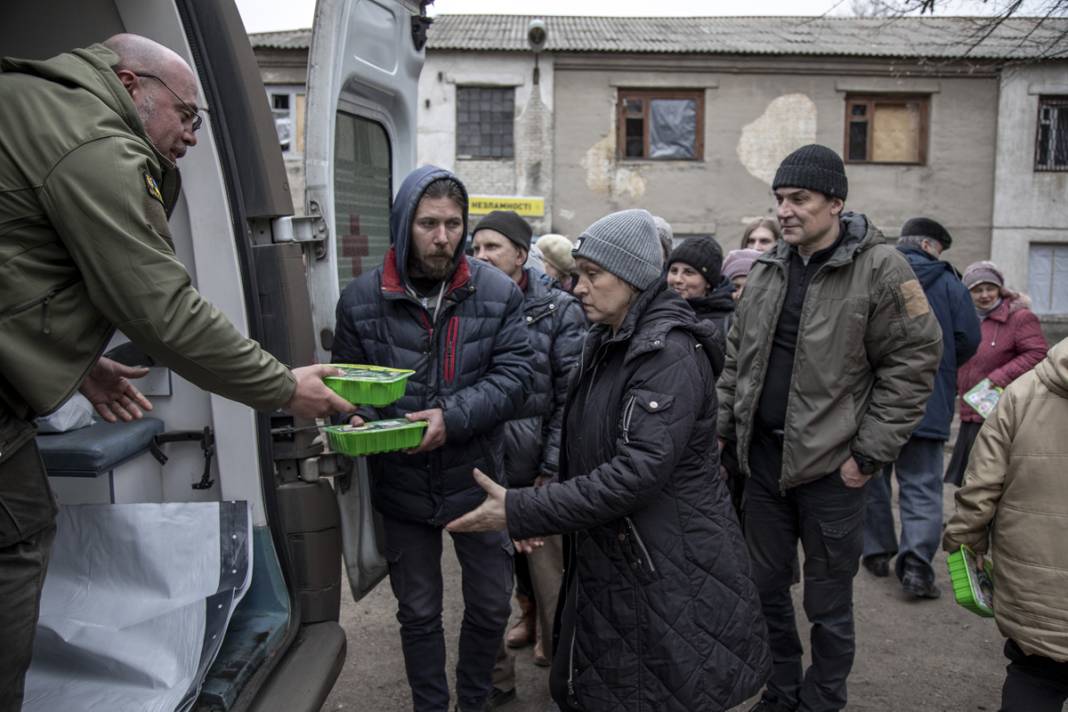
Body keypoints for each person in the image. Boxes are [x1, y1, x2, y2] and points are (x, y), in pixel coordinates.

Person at [0, 35, 353, 710]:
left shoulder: (39, 104)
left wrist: (78, 368)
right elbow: (165, 312)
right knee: (16, 537)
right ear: (131, 85)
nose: (191, 134)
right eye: (186, 115)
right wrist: (284, 387)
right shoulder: (96, 146)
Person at [449, 208, 770, 712]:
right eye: (578, 273)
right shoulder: (608, 341)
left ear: (636, 277)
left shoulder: (667, 355)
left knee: (673, 690)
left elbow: (634, 474)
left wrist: (522, 509)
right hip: (623, 558)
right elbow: (588, 449)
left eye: (593, 275)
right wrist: (545, 507)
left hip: (669, 567)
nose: (578, 287)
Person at [717, 145, 942, 712]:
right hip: (764, 466)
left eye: (799, 199)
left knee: (827, 601)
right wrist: (722, 434)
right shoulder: (768, 269)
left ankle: (824, 698)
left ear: (835, 203)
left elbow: (915, 361)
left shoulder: (882, 267)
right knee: (764, 590)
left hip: (832, 473)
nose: (785, 210)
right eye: (779, 199)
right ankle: (783, 687)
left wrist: (867, 455)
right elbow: (735, 362)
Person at [332, 167, 534, 712]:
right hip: (401, 481)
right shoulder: (359, 299)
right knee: (418, 611)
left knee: (492, 606)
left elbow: (517, 379)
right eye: (428, 224)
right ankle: (429, 705)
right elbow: (352, 383)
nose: (442, 236)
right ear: (403, 225)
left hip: (478, 478)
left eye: (452, 223)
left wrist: (451, 416)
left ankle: (474, 700)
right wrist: (357, 416)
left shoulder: (494, 292)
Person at [471, 210, 586, 704]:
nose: (481, 258)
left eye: (492, 248)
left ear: (521, 255)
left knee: (554, 587)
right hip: (483, 471)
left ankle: (567, 685)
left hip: (540, 476)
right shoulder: (467, 306)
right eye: (475, 250)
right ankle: (497, 684)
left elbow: (570, 399)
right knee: (483, 591)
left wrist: (550, 470)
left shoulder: (559, 311)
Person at [942, 337, 1068, 712]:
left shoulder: (1023, 392)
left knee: (1035, 678)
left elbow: (980, 486)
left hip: (1035, 593)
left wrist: (965, 544)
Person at [861, 218, 981, 599]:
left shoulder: (874, 273)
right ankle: (915, 568)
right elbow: (968, 339)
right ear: (930, 246)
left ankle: (876, 552)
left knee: (873, 479)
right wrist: (937, 368)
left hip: (876, 400)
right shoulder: (949, 283)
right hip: (929, 401)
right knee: (923, 487)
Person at [945, 260, 1049, 487]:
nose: (984, 295)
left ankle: (989, 522)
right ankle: (970, 520)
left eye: (990, 288)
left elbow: (1038, 353)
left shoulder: (1019, 317)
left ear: (1000, 289)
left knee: (993, 475)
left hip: (1001, 408)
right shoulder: (964, 319)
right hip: (971, 409)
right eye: (976, 290)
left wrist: (998, 378)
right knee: (970, 476)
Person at [666, 235, 733, 347]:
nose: (677, 279)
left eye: (688, 272)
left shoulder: (728, 323)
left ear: (708, 282)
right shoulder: (656, 312)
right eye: (673, 271)